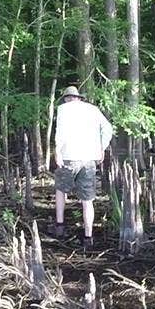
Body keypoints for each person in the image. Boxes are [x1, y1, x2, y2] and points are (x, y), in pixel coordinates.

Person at [51, 85, 113, 247]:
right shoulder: (93, 109)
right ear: (78, 98)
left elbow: (60, 132)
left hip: (69, 157)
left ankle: (59, 226)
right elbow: (108, 128)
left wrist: (57, 151)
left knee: (60, 190)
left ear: (67, 98)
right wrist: (102, 148)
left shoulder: (63, 109)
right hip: (88, 159)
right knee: (87, 199)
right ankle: (88, 236)